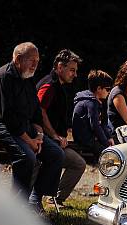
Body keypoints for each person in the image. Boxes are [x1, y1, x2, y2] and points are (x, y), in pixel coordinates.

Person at [0, 42, 64, 212]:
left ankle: (35, 199)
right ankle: (15, 208)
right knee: (27, 157)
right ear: (18, 59)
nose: (35, 64)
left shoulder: (28, 76)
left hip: (27, 128)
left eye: (37, 60)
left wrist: (39, 134)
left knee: (56, 154)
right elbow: (6, 116)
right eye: (32, 60)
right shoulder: (2, 77)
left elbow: (36, 108)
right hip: (2, 128)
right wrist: (29, 141)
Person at [37, 49, 86, 205]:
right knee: (77, 163)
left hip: (54, 140)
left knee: (78, 163)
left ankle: (56, 199)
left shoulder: (58, 85)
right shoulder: (49, 85)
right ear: (59, 67)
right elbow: (39, 111)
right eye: (72, 70)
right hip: (42, 139)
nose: (75, 74)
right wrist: (54, 136)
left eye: (75, 71)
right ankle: (41, 200)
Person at [72, 70, 114, 159]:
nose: (109, 92)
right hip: (85, 139)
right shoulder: (91, 103)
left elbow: (103, 124)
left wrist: (109, 138)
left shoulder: (95, 101)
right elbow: (95, 126)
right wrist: (106, 144)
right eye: (108, 89)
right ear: (99, 89)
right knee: (111, 157)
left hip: (90, 137)